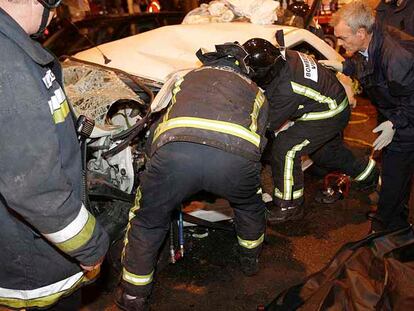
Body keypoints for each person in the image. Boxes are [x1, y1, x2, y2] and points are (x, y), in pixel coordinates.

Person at [117, 42, 272, 310]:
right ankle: (249, 259)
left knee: (147, 221)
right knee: (249, 207)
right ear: (244, 68)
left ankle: (133, 296)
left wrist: (156, 162)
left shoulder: (185, 77)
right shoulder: (257, 92)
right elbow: (261, 141)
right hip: (234, 163)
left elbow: (158, 119)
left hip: (176, 157)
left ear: (210, 62)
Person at [0, 1, 109, 310]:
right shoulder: (8, 64)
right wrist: (91, 247)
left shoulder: (16, 51)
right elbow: (34, 188)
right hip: (30, 264)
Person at [243, 35, 378, 224]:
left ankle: (288, 206)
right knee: (326, 154)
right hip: (331, 103)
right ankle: (369, 172)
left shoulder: (286, 89)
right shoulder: (284, 57)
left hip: (328, 113)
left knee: (285, 148)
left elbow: (267, 126)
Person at [321, 0, 414, 231]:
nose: (340, 45)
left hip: (406, 116)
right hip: (393, 110)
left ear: (362, 33)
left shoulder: (396, 57)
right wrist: (344, 67)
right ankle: (396, 217)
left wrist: (395, 123)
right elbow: (365, 63)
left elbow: (411, 100)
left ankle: (385, 225)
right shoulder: (370, 42)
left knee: (395, 171)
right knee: (394, 169)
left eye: (343, 38)